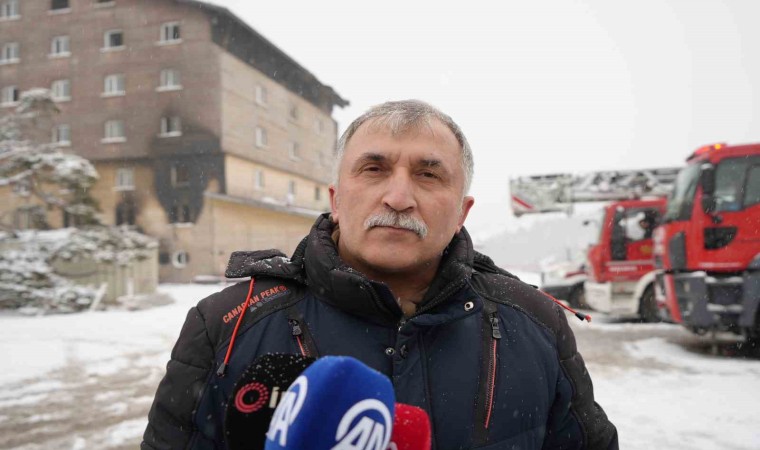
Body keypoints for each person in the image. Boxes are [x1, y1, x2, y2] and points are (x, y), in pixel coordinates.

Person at [142, 100, 618, 450]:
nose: (398, 198)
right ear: (335, 198)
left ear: (462, 211)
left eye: (428, 175)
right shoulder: (227, 325)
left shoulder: (535, 322)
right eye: (373, 169)